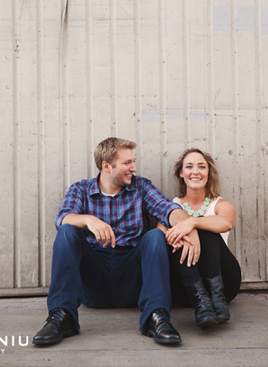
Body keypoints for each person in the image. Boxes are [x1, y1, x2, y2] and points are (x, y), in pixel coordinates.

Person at [32, 137, 200, 347]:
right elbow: (62, 218)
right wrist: (89, 220)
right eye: (127, 163)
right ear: (106, 166)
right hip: (94, 278)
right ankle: (61, 316)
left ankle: (156, 317)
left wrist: (188, 224)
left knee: (155, 236)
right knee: (67, 231)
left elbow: (168, 209)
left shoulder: (141, 187)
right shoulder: (80, 189)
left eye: (133, 162)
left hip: (131, 277)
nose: (134, 168)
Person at [158, 149, 242, 329]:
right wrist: (180, 234)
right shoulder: (170, 208)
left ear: (209, 173)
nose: (195, 172)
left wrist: (193, 222)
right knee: (180, 234)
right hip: (184, 289)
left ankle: (217, 298)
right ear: (181, 173)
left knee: (204, 227)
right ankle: (201, 301)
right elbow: (160, 239)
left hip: (225, 284)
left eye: (201, 167)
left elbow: (227, 223)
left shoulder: (221, 205)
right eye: (189, 166)